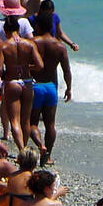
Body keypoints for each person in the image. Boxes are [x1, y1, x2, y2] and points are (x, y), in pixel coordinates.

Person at [29, 11, 71, 159]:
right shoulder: (60, 46)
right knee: (50, 124)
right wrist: (69, 88)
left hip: (35, 86)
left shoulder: (33, 43)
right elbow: (66, 70)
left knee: (32, 123)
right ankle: (47, 156)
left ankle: (40, 145)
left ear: (38, 26)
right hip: (51, 88)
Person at [0, 16, 41, 153]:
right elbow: (40, 65)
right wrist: (27, 68)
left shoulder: (4, 46)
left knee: (14, 121)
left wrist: (7, 72)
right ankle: (26, 149)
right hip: (28, 82)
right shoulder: (29, 44)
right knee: (26, 121)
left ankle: (22, 150)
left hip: (12, 83)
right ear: (18, 29)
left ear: (6, 30)